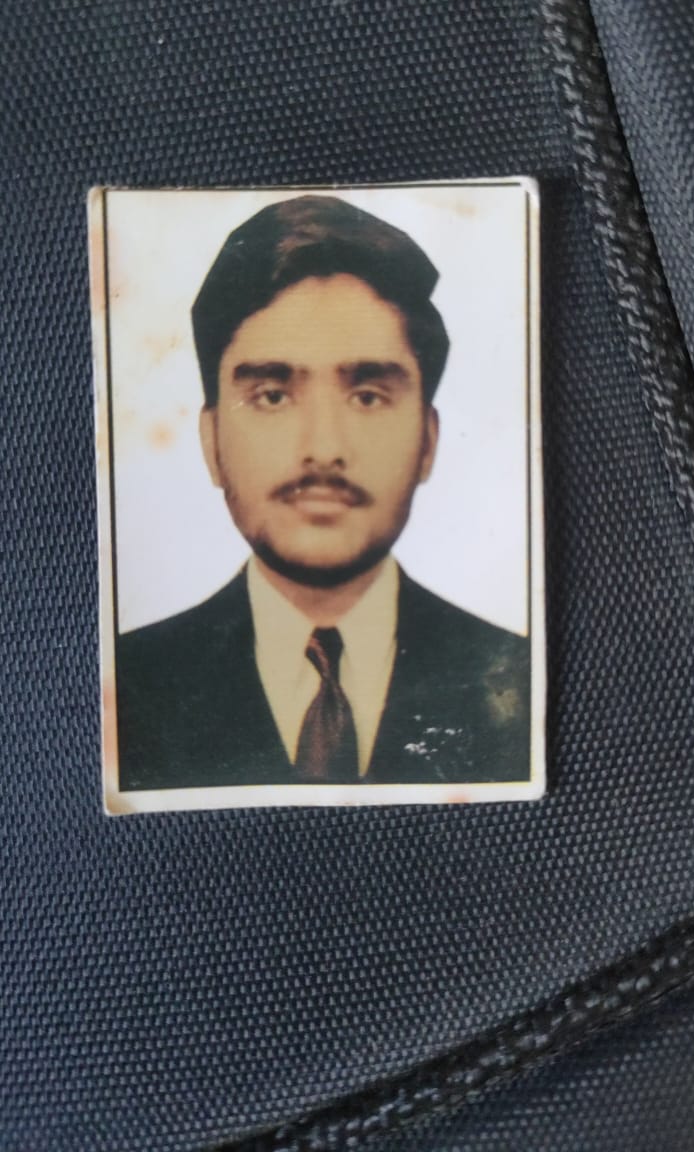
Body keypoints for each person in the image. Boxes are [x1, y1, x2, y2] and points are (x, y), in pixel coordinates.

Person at [116, 194, 530, 789]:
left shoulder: (518, 679)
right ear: (211, 442)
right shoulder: (125, 689)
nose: (323, 448)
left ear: (428, 440)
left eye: (368, 396)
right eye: (272, 396)